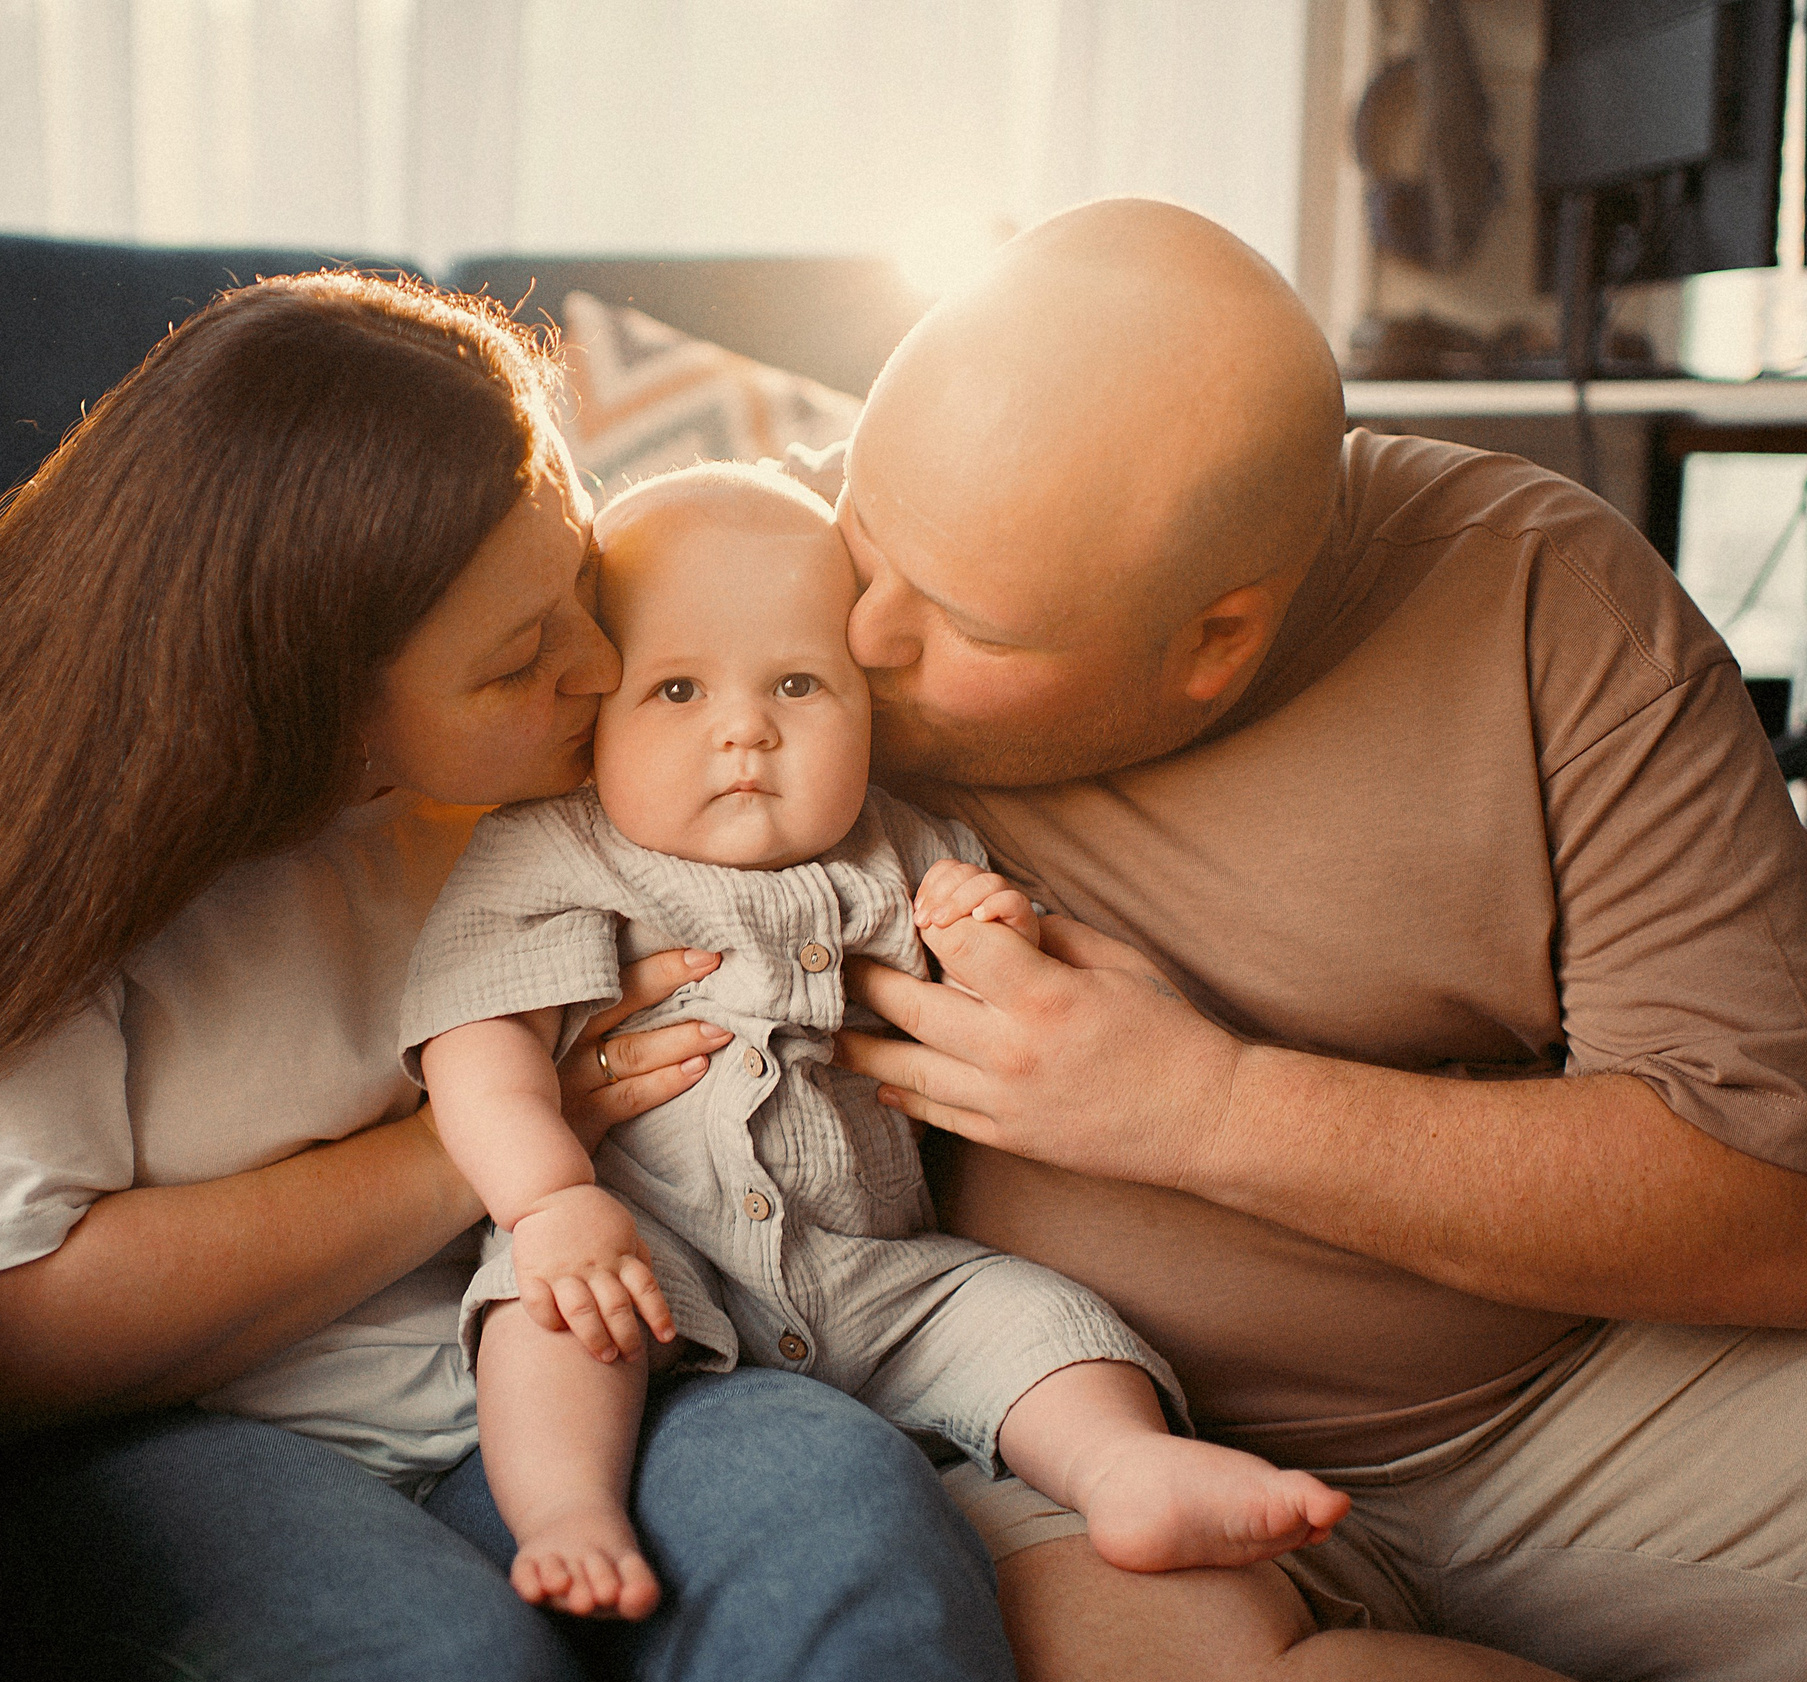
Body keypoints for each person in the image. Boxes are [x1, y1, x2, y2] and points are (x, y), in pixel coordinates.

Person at [0, 274, 1021, 1682]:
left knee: (842, 1521)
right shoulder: (49, 864)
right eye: (522, 658)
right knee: (438, 1671)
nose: (598, 665)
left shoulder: (537, 763)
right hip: (195, 1426)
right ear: (311, 700)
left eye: (578, 584)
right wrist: (497, 1138)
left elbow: (807, 545)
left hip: (570, 1338)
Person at [813, 194, 1807, 1682]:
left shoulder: (1537, 592)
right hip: (1078, 1441)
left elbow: (1786, 1218)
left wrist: (1203, 1108)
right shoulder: (764, 590)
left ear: (1216, 638)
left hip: (1599, 1388)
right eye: (863, 518)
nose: (862, 633)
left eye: (967, 621)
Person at [402, 463, 1349, 1620]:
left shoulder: (902, 846)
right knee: (544, 1307)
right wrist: (547, 1199)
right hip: (650, 1243)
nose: (746, 728)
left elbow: (1040, 1003)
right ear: (591, 714)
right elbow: (477, 1041)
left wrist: (992, 926)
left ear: (868, 708)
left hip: (877, 1268)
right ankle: (567, 1512)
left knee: (1036, 1318)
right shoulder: (556, 851)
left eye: (798, 684)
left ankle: (1124, 1469)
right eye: (677, 689)